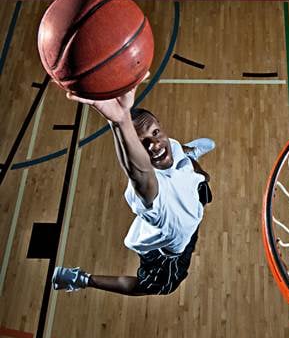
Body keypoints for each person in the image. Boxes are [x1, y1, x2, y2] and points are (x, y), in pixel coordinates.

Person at [52, 75, 214, 295]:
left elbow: (164, 146)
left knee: (197, 177)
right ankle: (81, 279)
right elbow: (140, 172)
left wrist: (186, 159)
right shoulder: (153, 194)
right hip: (169, 251)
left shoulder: (168, 148)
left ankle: (189, 153)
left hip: (187, 211)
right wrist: (119, 121)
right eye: (142, 143)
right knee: (158, 287)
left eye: (155, 132)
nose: (154, 144)